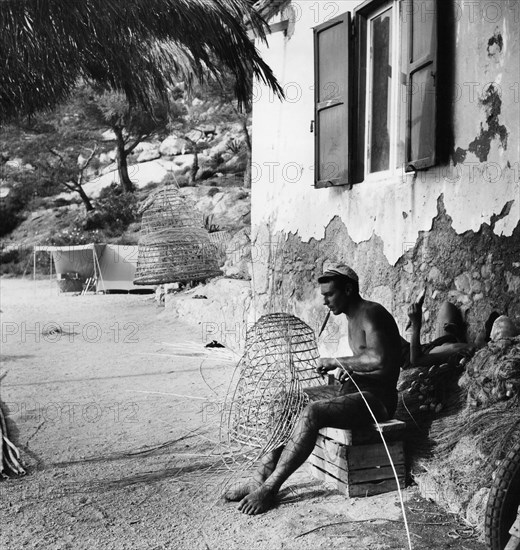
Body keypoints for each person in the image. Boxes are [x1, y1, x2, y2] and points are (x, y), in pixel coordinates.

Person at [223, 263, 403, 515]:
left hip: (377, 400)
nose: (326, 301)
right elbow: (396, 351)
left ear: (349, 289)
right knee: (285, 402)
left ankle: (270, 488)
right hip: (352, 391)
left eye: (330, 294)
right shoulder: (353, 317)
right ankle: (259, 477)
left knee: (312, 413)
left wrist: (337, 361)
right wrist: (352, 368)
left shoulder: (372, 312)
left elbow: (380, 359)